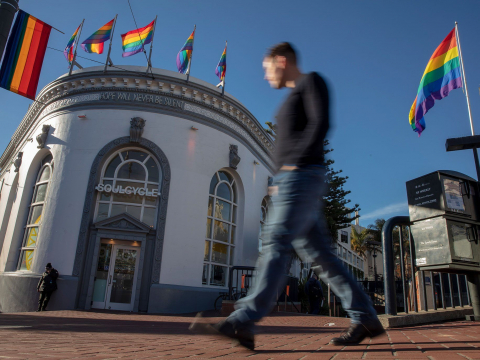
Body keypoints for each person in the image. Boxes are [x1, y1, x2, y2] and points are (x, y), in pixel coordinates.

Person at [190, 42, 384, 349]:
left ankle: (243, 319)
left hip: (302, 176)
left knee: (276, 243)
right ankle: (365, 316)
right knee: (323, 259)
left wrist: (292, 167)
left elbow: (320, 124)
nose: (266, 77)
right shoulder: (290, 97)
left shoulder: (311, 82)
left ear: (281, 61)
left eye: (267, 69)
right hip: (295, 179)